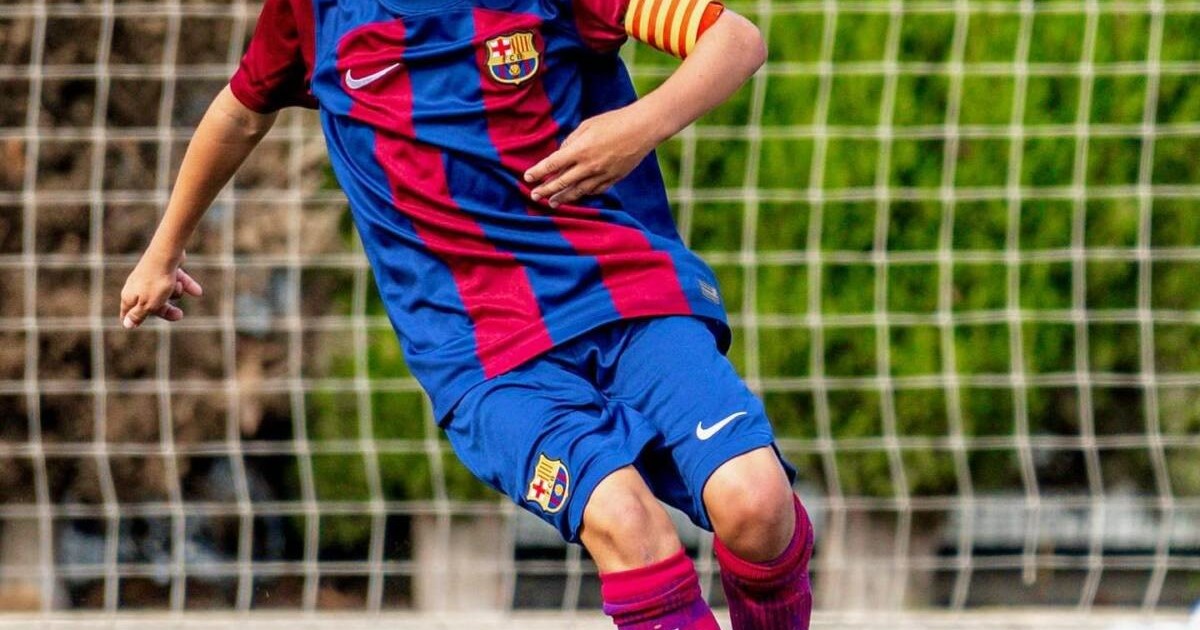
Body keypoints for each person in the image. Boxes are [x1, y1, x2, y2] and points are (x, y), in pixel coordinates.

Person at [118, 0, 813, 626]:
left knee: (756, 503)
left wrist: (635, 128)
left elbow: (735, 40)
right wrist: (163, 250)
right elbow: (241, 111)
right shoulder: (314, 12)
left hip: (623, 297)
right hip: (484, 355)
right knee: (626, 522)